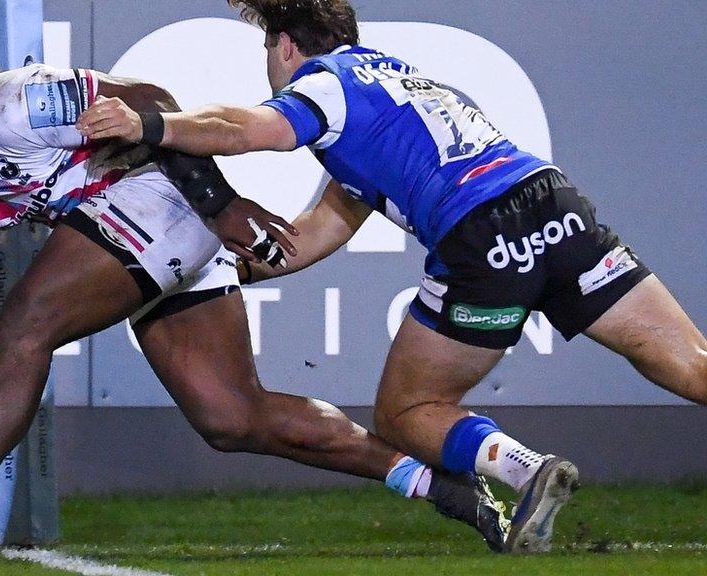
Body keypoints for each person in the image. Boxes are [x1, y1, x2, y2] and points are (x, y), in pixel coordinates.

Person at [76, 0, 707, 554]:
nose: (269, 66)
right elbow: (308, 238)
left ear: (287, 45)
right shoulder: (400, 83)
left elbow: (253, 129)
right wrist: (210, 272)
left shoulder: (326, 84)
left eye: (268, 48)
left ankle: (525, 470)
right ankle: (527, 472)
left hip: (482, 234)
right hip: (556, 208)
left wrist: (149, 124)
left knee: (406, 414)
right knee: (688, 361)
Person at [0, 64, 510, 560]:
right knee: (234, 417)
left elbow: (151, 100)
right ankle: (440, 487)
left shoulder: (11, 106)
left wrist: (220, 202)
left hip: (168, 195)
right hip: (136, 237)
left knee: (27, 320)